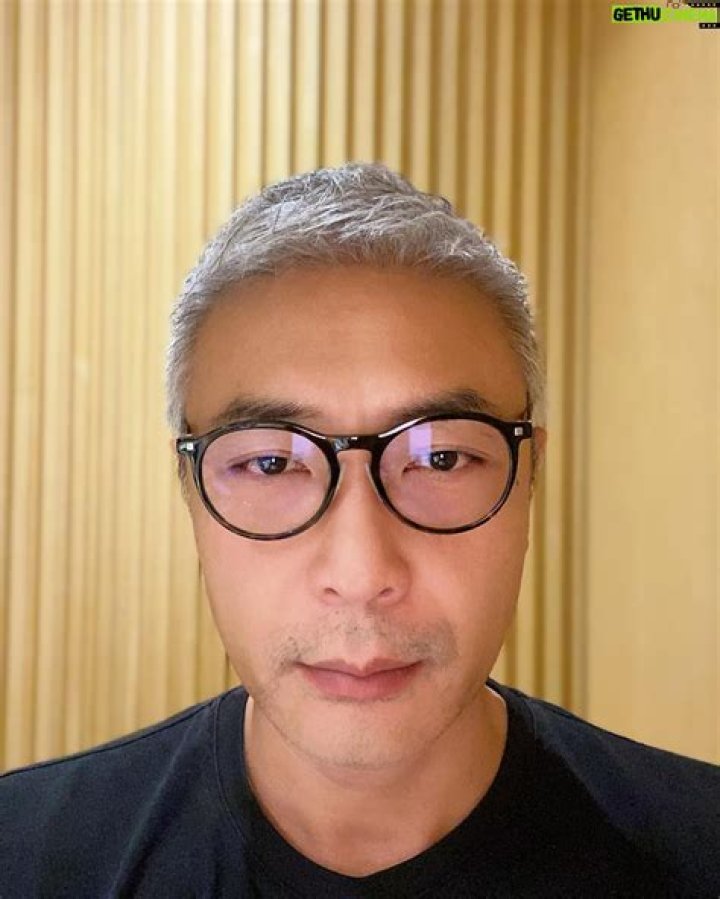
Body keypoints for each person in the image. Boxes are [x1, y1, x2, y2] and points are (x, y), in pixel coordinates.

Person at [0, 163, 717, 898]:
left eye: (440, 457)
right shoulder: (25, 858)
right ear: (190, 490)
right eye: (272, 462)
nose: (361, 571)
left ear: (529, 473)